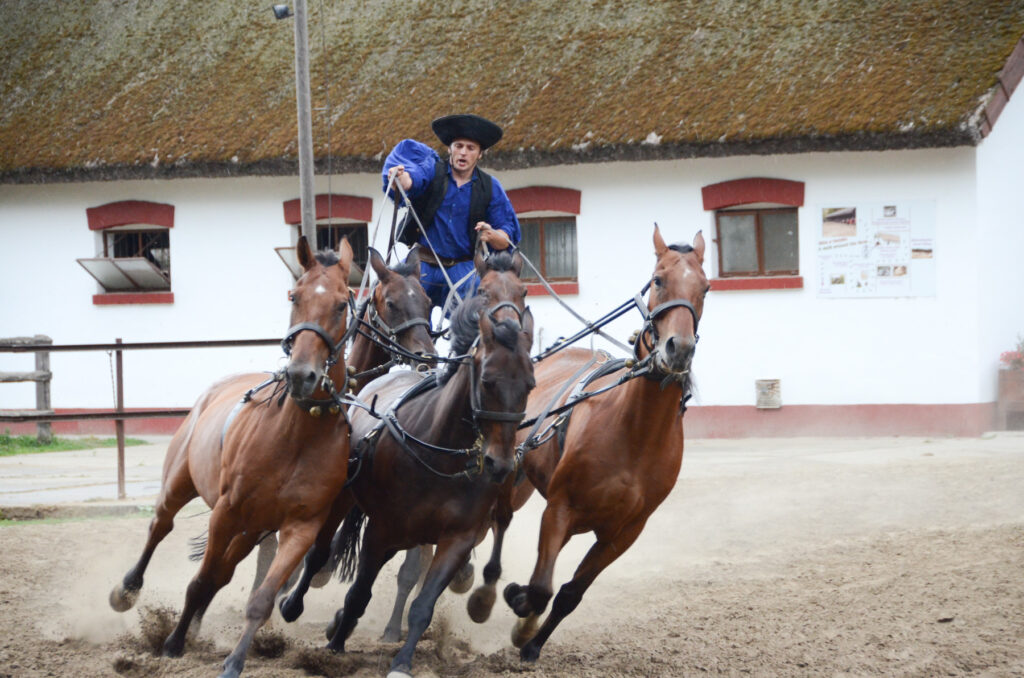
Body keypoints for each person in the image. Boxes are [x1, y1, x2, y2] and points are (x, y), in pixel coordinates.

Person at [382, 114, 520, 313]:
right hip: (423, 264)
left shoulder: (491, 187)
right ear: (450, 149)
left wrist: (492, 235)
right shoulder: (432, 170)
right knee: (392, 305)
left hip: (464, 270)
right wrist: (401, 179)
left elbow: (506, 237)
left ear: (480, 154)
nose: (463, 152)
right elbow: (412, 181)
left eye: (470, 148)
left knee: (482, 317)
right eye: (458, 146)